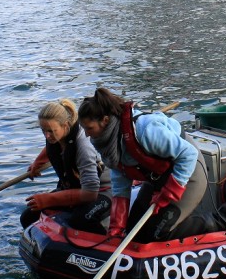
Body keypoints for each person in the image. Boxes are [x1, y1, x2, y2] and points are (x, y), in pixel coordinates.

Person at [79, 88, 212, 242]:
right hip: (158, 179)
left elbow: (189, 154)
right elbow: (120, 176)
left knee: (155, 234)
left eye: (89, 128)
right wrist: (117, 225)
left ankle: (211, 223)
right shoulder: (107, 143)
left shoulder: (145, 130)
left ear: (105, 121)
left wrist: (170, 191)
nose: (87, 135)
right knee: (133, 233)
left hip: (189, 175)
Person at [20, 98, 111, 234]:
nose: (47, 135)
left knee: (81, 220)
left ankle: (109, 247)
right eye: (43, 130)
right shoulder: (56, 135)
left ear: (66, 126)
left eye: (51, 131)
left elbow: (91, 193)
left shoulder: (83, 147)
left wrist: (48, 199)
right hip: (75, 188)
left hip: (102, 192)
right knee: (28, 216)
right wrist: (37, 163)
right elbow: (54, 147)